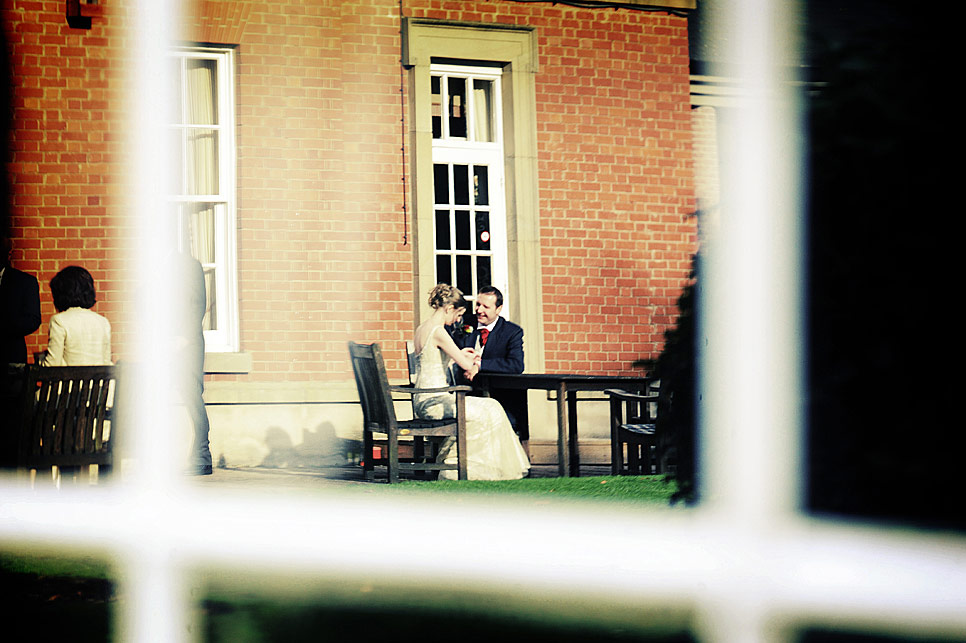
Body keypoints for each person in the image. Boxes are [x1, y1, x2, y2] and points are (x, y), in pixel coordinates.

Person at [412, 284, 529, 480]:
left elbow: (437, 358)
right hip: (436, 401)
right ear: (449, 309)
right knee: (491, 409)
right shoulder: (439, 331)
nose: (459, 320)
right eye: (458, 315)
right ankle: (466, 468)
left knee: (489, 407)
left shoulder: (421, 328)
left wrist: (462, 355)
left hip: (425, 399)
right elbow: (465, 364)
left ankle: (466, 464)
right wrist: (471, 360)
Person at [453, 285, 530, 456]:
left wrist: (480, 365)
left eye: (485, 307)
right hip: (465, 392)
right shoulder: (464, 324)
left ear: (499, 309)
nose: (479, 310)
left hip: (499, 396)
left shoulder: (512, 332)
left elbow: (516, 365)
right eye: (478, 304)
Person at [172, 252, 212, 476]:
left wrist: (183, 338)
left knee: (191, 398)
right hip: (167, 343)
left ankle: (200, 458)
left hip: (184, 344)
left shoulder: (187, 264)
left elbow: (196, 303)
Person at [38, 265, 111, 366]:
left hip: (68, 381)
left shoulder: (59, 321)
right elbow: (106, 363)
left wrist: (40, 359)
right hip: (98, 381)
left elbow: (52, 365)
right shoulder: (103, 322)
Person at [0, 235, 41, 365]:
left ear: (9, 254)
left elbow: (33, 319)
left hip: (11, 357)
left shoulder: (25, 282)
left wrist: (6, 327)